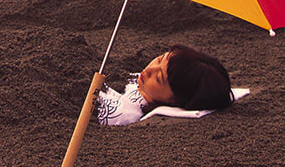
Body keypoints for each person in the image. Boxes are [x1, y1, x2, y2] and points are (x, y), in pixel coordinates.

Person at [95, 43, 234, 126]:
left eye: (158, 78)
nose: (149, 69)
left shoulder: (124, 114)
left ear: (173, 99)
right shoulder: (142, 81)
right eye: (159, 59)